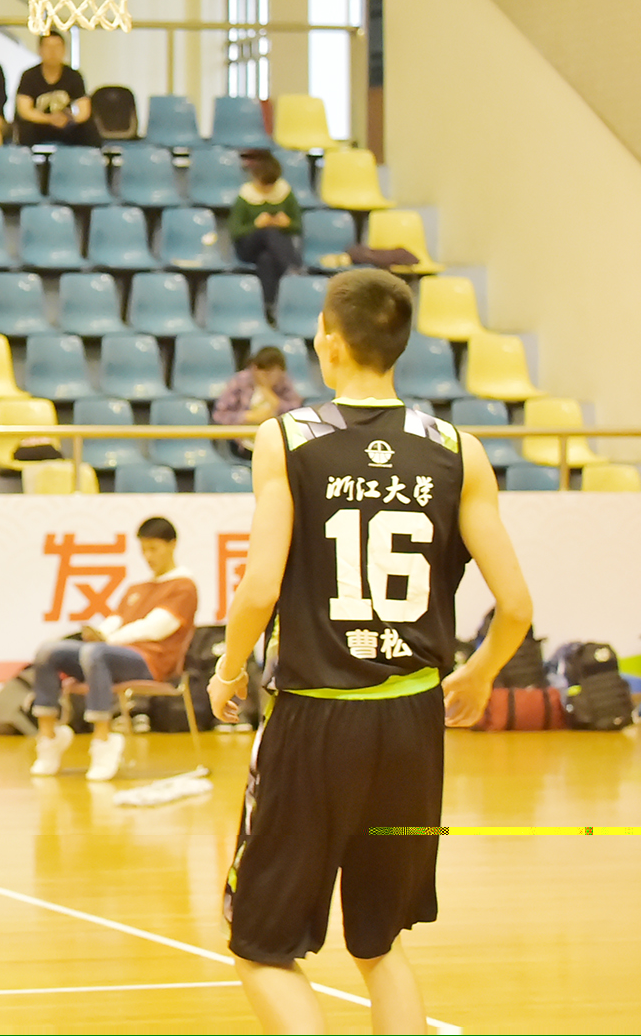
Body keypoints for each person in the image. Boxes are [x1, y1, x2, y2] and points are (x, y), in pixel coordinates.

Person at [208, 269, 535, 1034]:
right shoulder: (458, 448)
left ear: (328, 339)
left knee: (260, 947)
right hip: (413, 726)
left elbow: (259, 588)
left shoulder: (288, 436)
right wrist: (479, 674)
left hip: (316, 721)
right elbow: (517, 606)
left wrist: (227, 669)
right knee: (379, 943)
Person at [28, 516, 199, 780]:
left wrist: (107, 640)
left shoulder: (183, 586)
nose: (148, 556)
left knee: (95, 653)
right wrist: (99, 634)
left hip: (151, 663)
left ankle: (103, 740)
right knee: (48, 652)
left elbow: (156, 628)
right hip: (112, 656)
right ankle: (49, 737)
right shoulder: (137, 588)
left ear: (172, 545)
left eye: (154, 549)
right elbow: (115, 621)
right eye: (144, 549)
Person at [231, 149, 304, 317]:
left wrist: (286, 223)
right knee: (268, 231)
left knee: (267, 259)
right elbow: (236, 231)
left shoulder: (285, 193)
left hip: (273, 251)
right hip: (248, 247)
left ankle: (269, 307)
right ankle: (292, 268)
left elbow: (297, 226)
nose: (268, 188)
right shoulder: (245, 196)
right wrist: (256, 225)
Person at [215, 345, 306, 458]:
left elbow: (297, 415)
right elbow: (219, 415)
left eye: (272, 371)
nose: (266, 376)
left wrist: (272, 399)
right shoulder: (240, 381)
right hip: (243, 447)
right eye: (263, 371)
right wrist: (248, 417)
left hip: (278, 446)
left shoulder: (285, 383)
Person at [15, 31, 99, 147]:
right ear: (40, 50)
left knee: (89, 127)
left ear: (64, 50)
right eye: (48, 47)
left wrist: (70, 119)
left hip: (65, 124)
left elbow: (84, 109)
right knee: (26, 127)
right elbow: (24, 110)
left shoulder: (74, 76)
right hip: (39, 124)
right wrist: (49, 119)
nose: (52, 51)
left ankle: (93, 156)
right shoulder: (29, 76)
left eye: (57, 47)